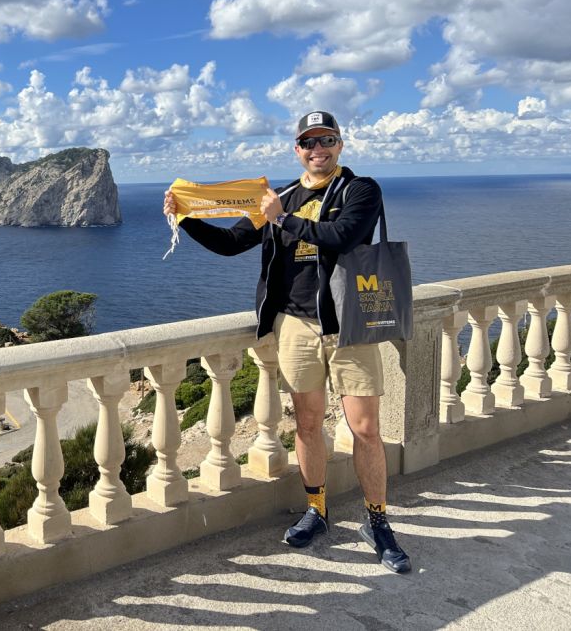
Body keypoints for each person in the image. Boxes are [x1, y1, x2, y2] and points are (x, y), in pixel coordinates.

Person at [162, 110, 410, 574]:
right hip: (295, 325)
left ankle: (377, 522)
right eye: (309, 142)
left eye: (327, 140)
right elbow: (230, 243)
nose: (318, 149)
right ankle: (317, 509)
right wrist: (186, 216)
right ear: (297, 149)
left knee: (365, 429)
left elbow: (344, 236)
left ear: (340, 145)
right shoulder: (283, 196)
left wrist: (283, 219)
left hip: (348, 325)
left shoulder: (359, 189)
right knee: (309, 425)